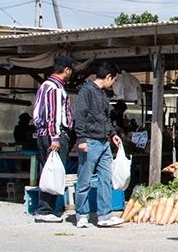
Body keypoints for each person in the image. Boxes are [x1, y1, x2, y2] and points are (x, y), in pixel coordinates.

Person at [73, 60, 124, 229]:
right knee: (84, 179)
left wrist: (112, 134)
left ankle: (105, 215)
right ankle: (81, 214)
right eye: (114, 80)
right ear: (108, 77)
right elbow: (79, 116)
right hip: (90, 141)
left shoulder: (103, 94)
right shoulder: (86, 91)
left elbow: (105, 118)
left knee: (105, 178)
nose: (113, 83)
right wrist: (81, 139)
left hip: (103, 143)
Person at [30, 56, 74, 222]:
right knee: (54, 170)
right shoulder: (56, 88)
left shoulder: (44, 86)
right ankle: (45, 210)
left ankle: (45, 208)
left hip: (42, 134)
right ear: (66, 70)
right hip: (53, 135)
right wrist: (55, 137)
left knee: (47, 169)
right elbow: (54, 115)